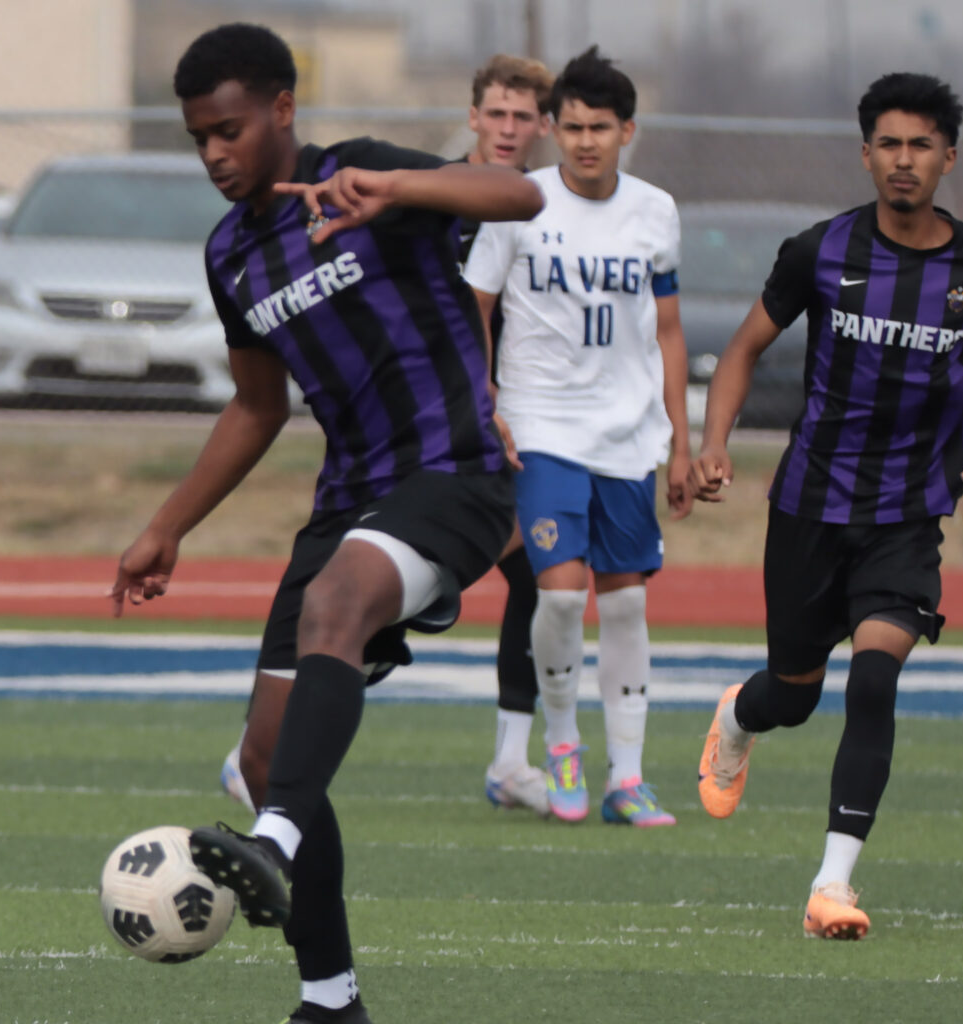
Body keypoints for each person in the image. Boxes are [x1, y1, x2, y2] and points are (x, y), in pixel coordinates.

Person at [110, 24, 541, 1024]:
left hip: (455, 473)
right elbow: (256, 405)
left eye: (229, 130)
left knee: (337, 607)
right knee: (268, 760)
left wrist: (401, 189)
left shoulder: (364, 174)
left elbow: (518, 195)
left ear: (282, 109)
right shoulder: (230, 254)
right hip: (349, 497)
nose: (215, 153)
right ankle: (330, 999)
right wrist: (168, 525)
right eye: (199, 138)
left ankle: (272, 843)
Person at [690, 73, 963, 939]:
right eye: (889, 144)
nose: (904, 159)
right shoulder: (820, 251)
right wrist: (713, 442)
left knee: (874, 679)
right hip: (811, 503)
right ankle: (740, 715)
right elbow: (743, 349)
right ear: (866, 153)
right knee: (794, 696)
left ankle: (831, 886)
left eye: (921, 145)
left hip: (909, 510)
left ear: (949, 158)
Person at [463, 47, 692, 827]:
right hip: (542, 429)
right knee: (560, 598)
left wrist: (682, 442)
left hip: (628, 435)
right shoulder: (519, 201)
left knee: (624, 610)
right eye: (571, 127)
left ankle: (628, 778)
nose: (585, 141)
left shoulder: (656, 211)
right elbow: (475, 304)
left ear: (627, 130)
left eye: (600, 127)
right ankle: (561, 746)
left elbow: (668, 328)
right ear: (553, 130)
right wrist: (484, 397)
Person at [453, 54, 560, 819]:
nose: (508, 128)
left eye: (524, 116)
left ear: (543, 126)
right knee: (392, 584)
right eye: (496, 112)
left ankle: (511, 760)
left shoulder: (546, 206)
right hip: (427, 424)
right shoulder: (434, 195)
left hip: (513, 427)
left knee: (538, 578)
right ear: (473, 117)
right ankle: (266, 743)